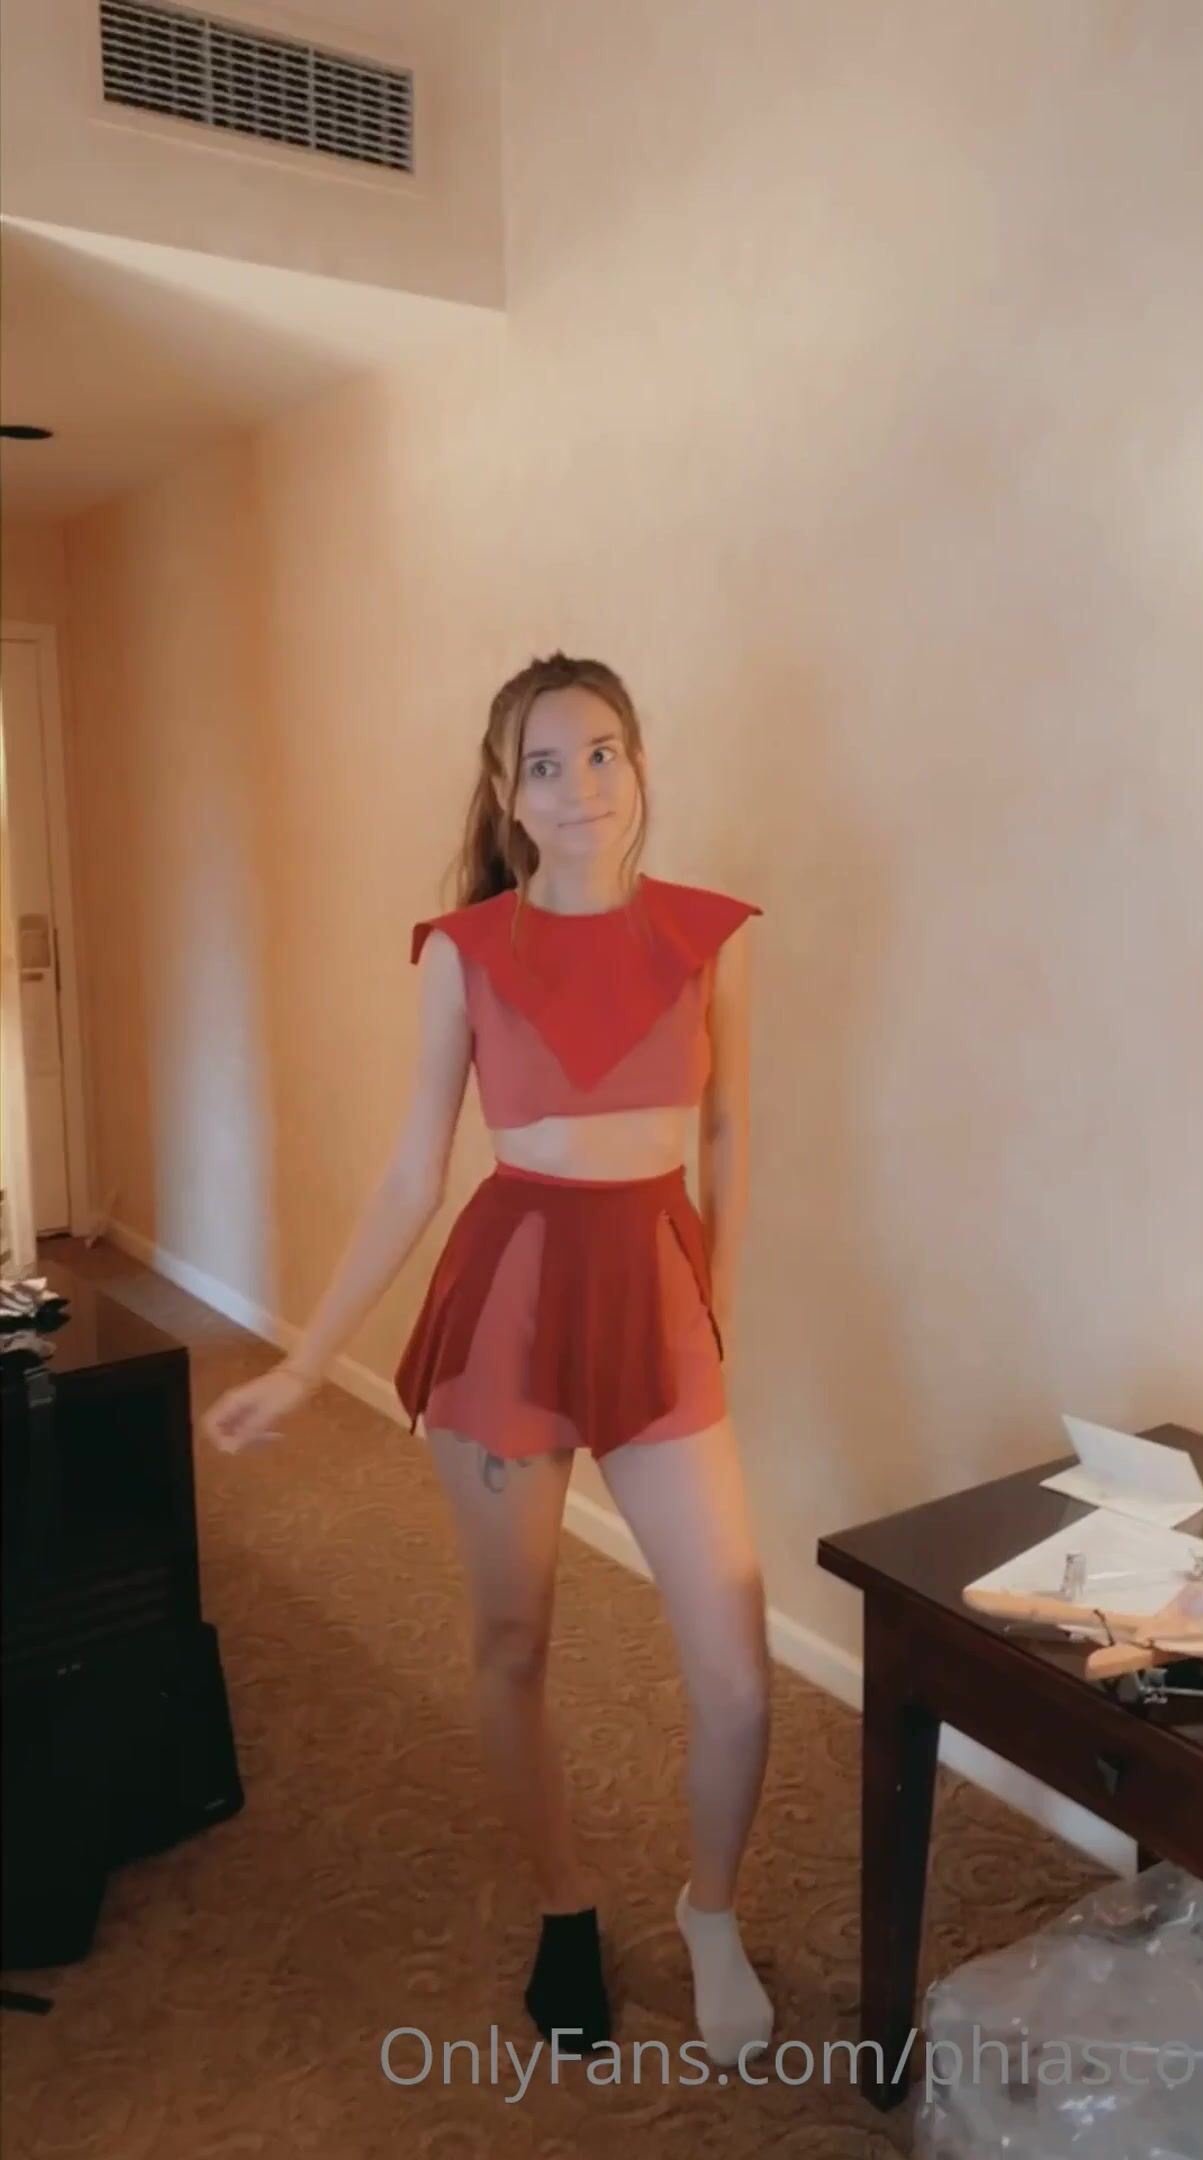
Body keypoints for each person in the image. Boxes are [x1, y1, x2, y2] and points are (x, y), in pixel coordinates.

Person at [202, 651, 773, 2068]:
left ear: (638, 763)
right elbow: (414, 1172)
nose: (580, 787)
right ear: (507, 795)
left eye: (603, 752)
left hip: (653, 1299)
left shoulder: (712, 936)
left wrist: (717, 1300)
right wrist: (304, 1362)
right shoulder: (463, 950)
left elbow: (724, 1131)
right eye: (544, 765)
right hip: (509, 1305)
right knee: (512, 1642)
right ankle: (565, 1905)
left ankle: (710, 1910)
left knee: (738, 1671)